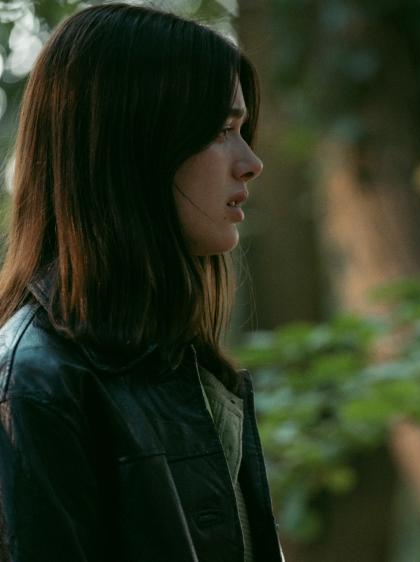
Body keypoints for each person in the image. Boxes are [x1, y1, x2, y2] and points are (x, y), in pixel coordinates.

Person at [0, 4, 284, 561]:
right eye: (223, 130)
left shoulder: (184, 367)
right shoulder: (35, 385)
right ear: (135, 145)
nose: (251, 162)